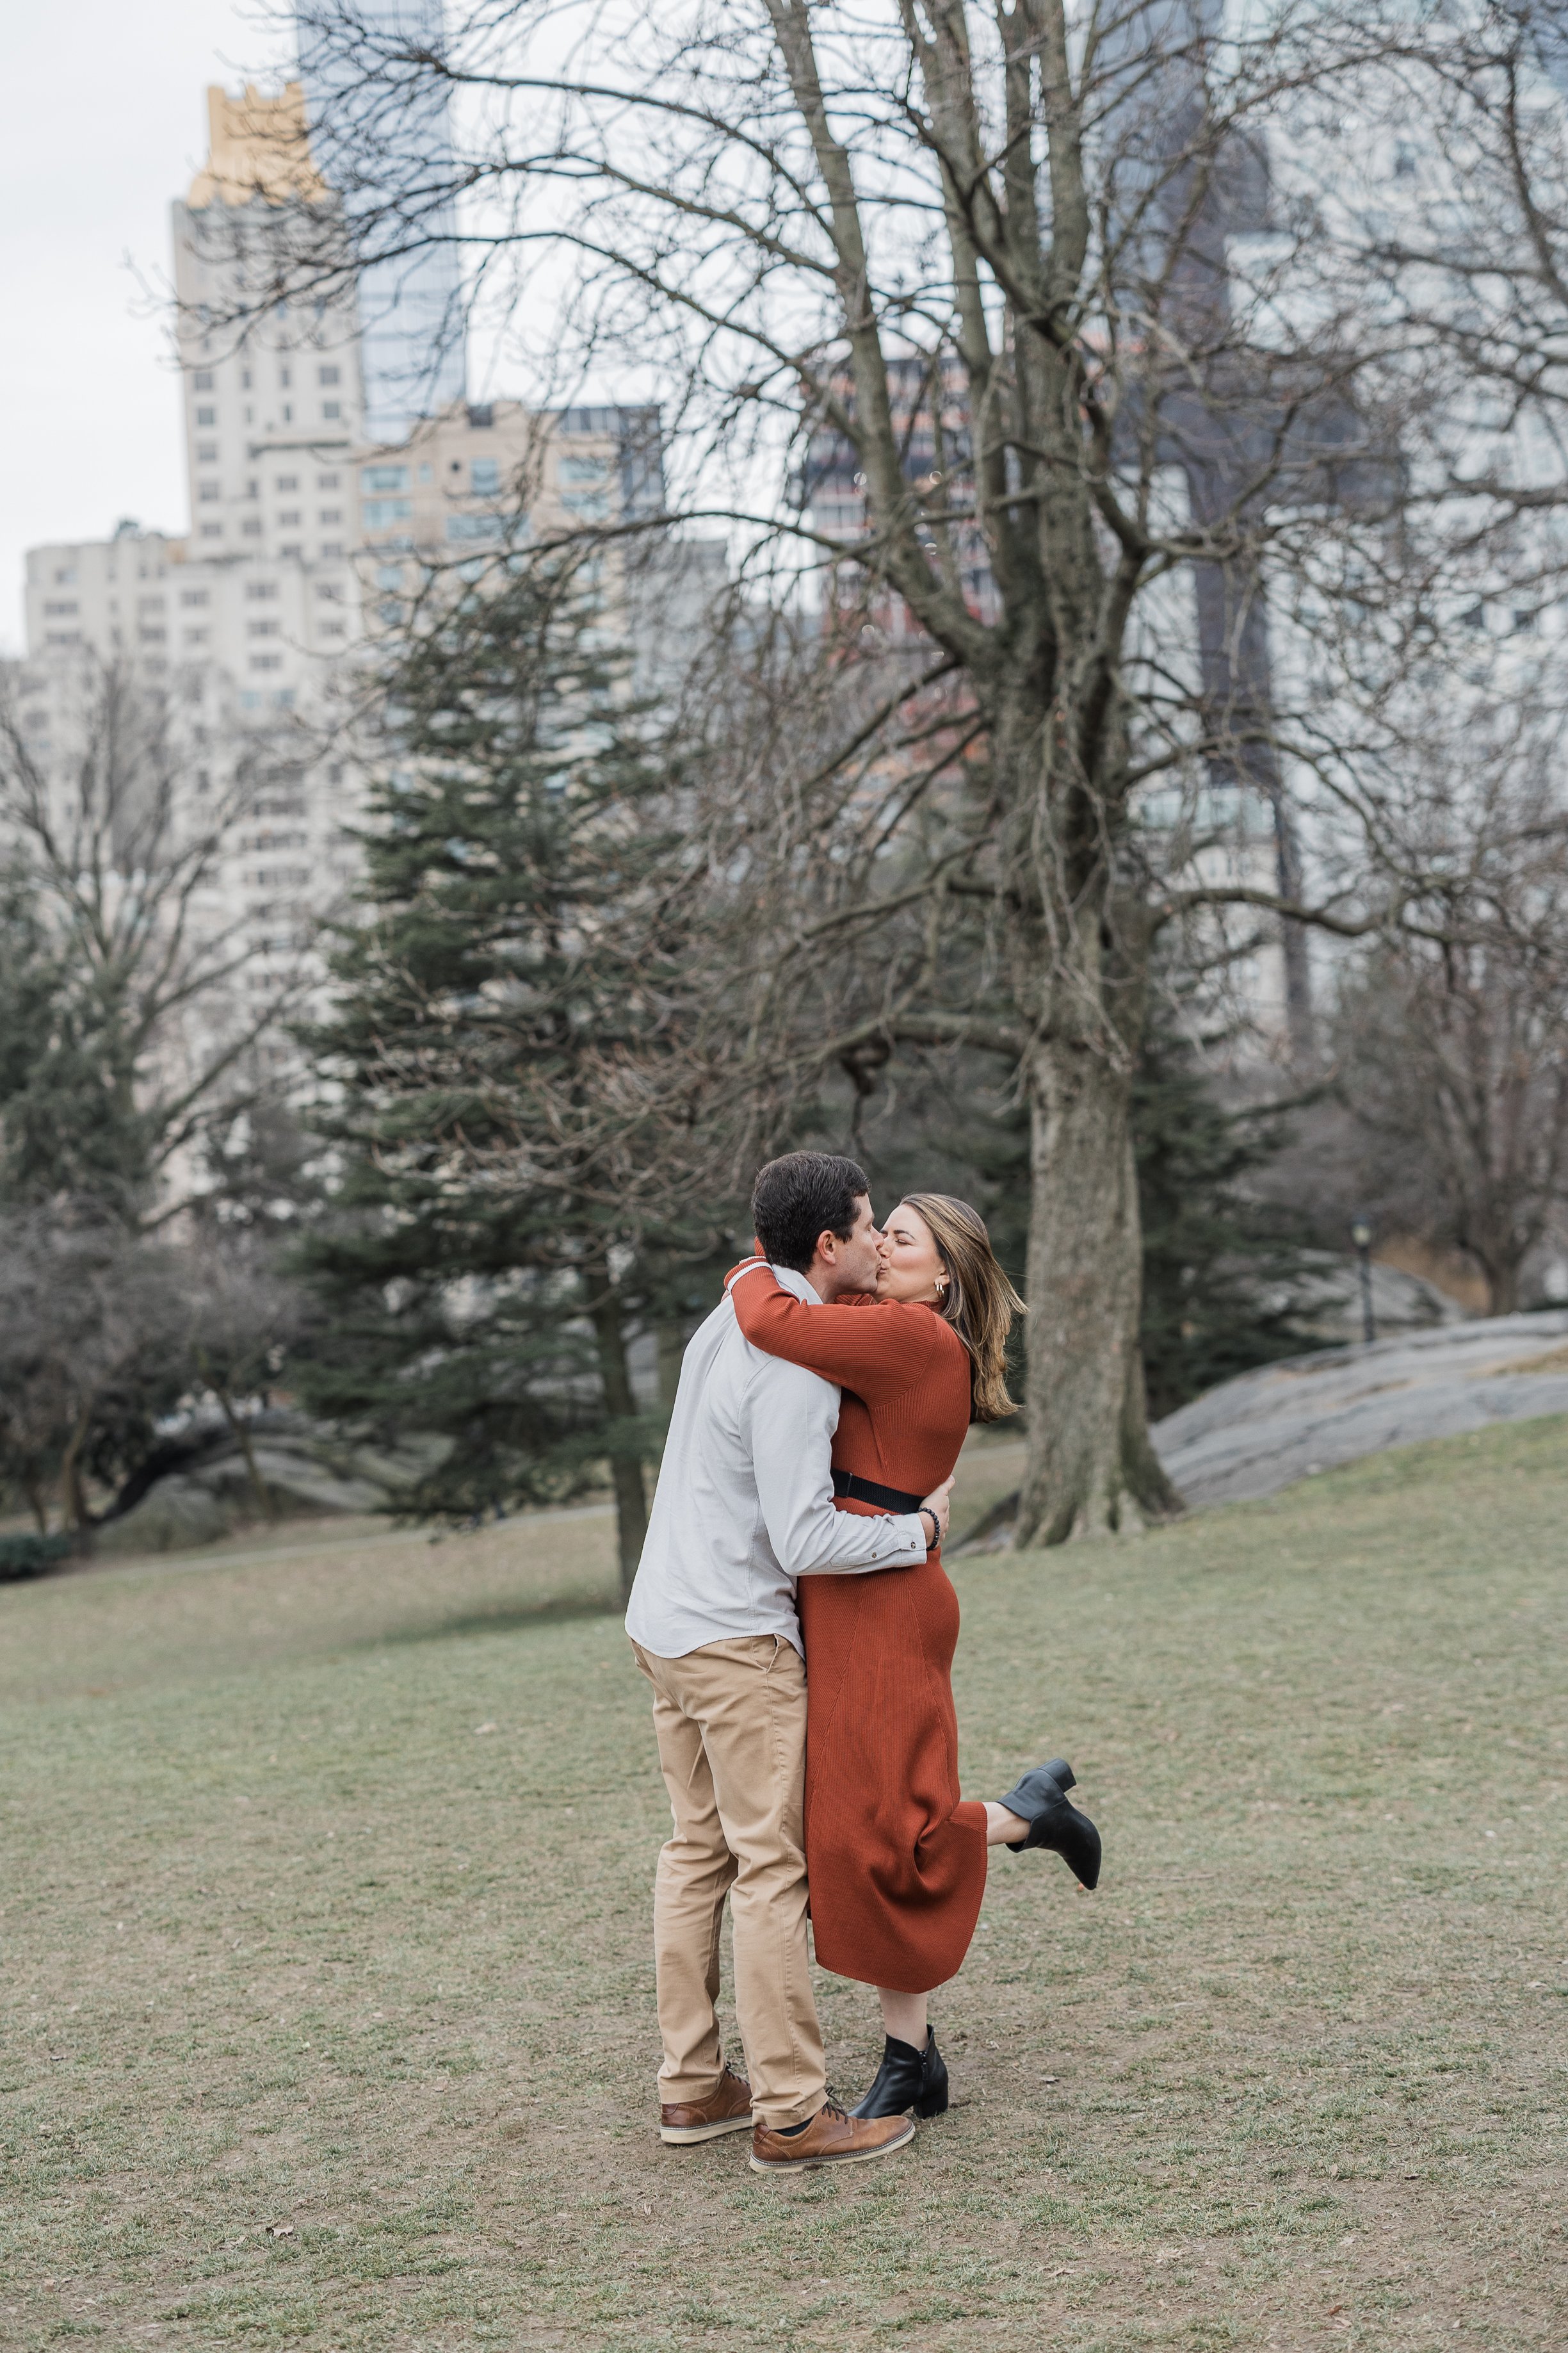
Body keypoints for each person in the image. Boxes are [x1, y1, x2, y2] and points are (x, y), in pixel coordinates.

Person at [727, 1175, 1101, 2123]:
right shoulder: (885, 1322)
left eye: (899, 1238)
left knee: (890, 1832)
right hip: (854, 1596)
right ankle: (916, 2051)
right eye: (877, 1232)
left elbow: (770, 1319)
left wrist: (753, 1259)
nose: (879, 1247)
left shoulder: (911, 1335)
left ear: (942, 1277)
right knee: (854, 1836)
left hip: (887, 1606)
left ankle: (1024, 1818)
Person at [624, 1151, 957, 2176]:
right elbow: (804, 1538)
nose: (874, 1242)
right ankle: (791, 2112)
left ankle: (692, 2085)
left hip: (660, 1620)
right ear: (828, 1244)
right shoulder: (799, 1364)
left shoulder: (734, 1315)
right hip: (734, 1638)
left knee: (696, 1852)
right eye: (867, 1227)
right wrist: (916, 1534)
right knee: (770, 1867)